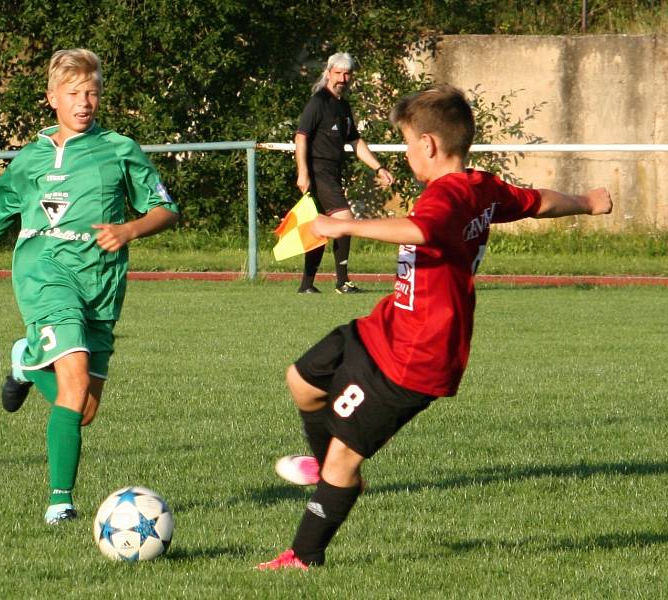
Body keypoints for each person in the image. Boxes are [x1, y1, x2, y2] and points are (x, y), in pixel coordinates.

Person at [258, 83, 612, 570]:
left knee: (345, 459)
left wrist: (342, 225)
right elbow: (538, 201)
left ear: (427, 145)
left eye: (406, 144)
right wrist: (588, 202)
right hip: (387, 327)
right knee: (302, 380)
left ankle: (304, 555)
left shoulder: (445, 196)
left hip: (414, 358)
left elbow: (420, 230)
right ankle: (327, 469)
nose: (405, 154)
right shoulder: (481, 187)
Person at [0, 49, 179, 525]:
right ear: (52, 99)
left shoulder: (120, 148)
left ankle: (25, 361)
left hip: (101, 283)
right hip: (45, 272)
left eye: (92, 92)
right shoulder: (31, 160)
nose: (85, 102)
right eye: (74, 93)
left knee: (82, 410)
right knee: (75, 377)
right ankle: (60, 501)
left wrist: (129, 230)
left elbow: (165, 209)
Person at [294, 52, 394, 295]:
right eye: (338, 73)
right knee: (345, 220)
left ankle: (307, 285)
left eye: (347, 73)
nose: (343, 78)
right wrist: (303, 173)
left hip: (332, 172)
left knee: (321, 227)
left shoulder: (343, 106)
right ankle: (342, 282)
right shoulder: (318, 102)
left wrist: (378, 167)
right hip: (318, 172)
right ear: (328, 74)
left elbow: (355, 142)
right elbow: (301, 137)